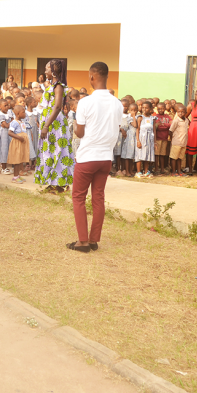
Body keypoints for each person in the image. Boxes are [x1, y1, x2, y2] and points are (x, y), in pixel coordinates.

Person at [68, 62, 121, 253]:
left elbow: (80, 133)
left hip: (88, 156)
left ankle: (82, 242)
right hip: (106, 157)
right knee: (98, 198)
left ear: (91, 77)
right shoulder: (117, 103)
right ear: (107, 76)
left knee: (78, 198)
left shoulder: (86, 102)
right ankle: (93, 240)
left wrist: (75, 125)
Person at [36, 59, 75, 193]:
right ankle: (53, 182)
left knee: (58, 150)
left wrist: (46, 125)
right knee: (51, 152)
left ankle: (60, 184)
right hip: (50, 123)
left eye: (47, 69)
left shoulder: (58, 86)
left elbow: (57, 107)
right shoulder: (51, 85)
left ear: (53, 72)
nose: (45, 71)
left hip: (55, 124)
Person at [7, 104, 30, 183]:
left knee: (20, 159)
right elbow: (10, 132)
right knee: (16, 160)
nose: (25, 114)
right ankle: (15, 177)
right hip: (17, 143)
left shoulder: (22, 122)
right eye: (23, 112)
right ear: (17, 114)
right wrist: (19, 137)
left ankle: (18, 175)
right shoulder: (14, 122)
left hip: (22, 143)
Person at [135, 102, 155, 178]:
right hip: (141, 138)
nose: (144, 109)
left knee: (147, 155)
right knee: (140, 154)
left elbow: (154, 130)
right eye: (143, 107)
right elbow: (137, 129)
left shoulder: (152, 118)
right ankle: (138, 172)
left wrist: (155, 142)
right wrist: (138, 141)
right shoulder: (140, 117)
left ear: (150, 109)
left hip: (149, 139)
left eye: (146, 108)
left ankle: (146, 171)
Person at [169, 105, 189, 177]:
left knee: (180, 158)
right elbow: (171, 131)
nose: (180, 113)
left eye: (182, 112)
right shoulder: (176, 121)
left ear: (186, 112)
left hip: (183, 143)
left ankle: (179, 171)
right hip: (176, 142)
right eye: (178, 112)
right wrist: (172, 140)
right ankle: (173, 171)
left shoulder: (186, 120)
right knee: (174, 157)